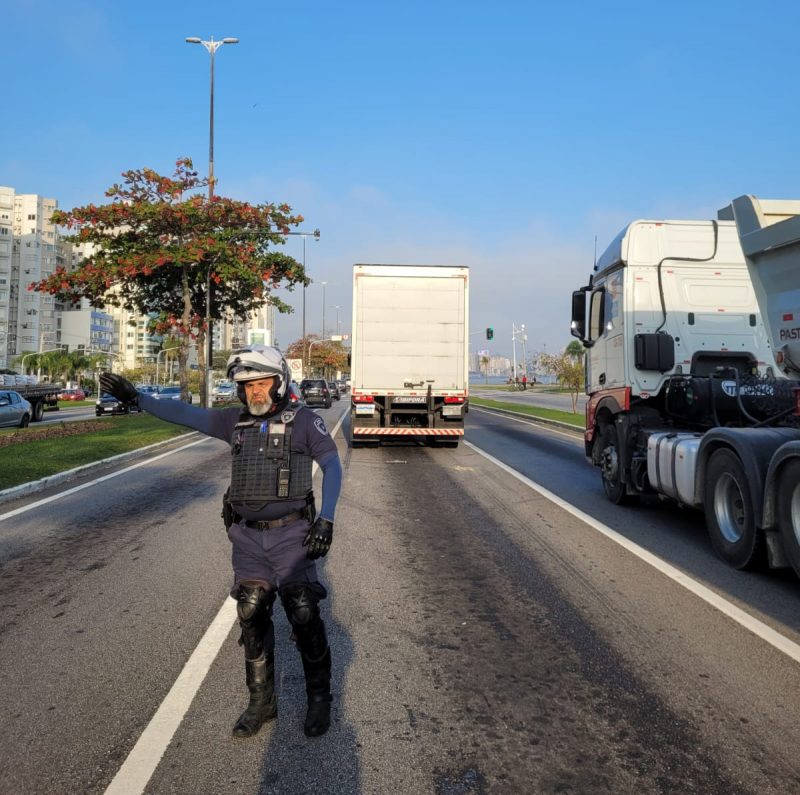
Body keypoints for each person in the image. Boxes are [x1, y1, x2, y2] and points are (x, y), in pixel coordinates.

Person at [99, 345, 342, 740]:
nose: (254, 393)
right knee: (251, 611)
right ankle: (261, 702)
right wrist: (136, 398)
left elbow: (331, 464)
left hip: (291, 536)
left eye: (261, 384)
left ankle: (319, 699)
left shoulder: (303, 422)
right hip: (247, 538)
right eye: (247, 387)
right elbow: (186, 414)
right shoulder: (235, 423)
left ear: (279, 383)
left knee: (301, 610)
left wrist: (326, 518)